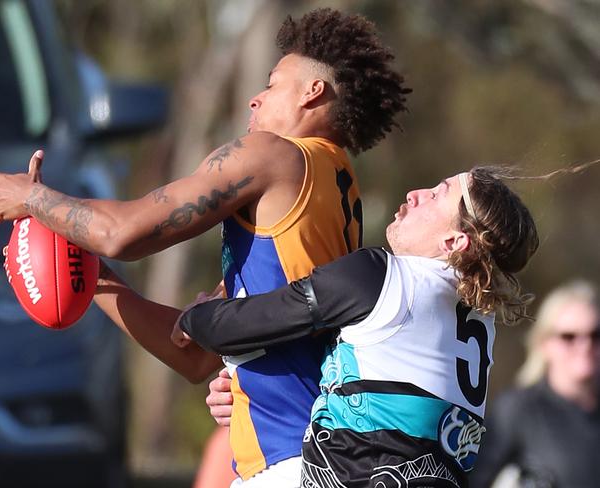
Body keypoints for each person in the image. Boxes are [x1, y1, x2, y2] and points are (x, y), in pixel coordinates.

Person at [0, 8, 409, 486]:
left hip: (288, 461)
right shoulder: (336, 188)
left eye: (272, 84)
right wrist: (86, 274)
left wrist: (34, 198)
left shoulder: (274, 156)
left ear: (312, 92)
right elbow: (195, 357)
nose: (255, 101)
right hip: (310, 457)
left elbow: (124, 233)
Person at [175, 167, 539, 487]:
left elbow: (244, 324)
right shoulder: (479, 319)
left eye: (437, 194)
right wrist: (247, 394)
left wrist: (196, 316)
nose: (415, 194)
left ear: (454, 242)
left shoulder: (384, 279)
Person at [469, 280, 600, 488]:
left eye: (595, 335)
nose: (585, 346)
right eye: (569, 337)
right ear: (544, 343)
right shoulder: (518, 410)